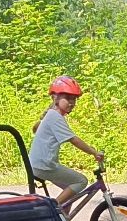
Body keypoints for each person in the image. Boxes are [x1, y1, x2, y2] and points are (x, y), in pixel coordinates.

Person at [29, 76, 103, 207]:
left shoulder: (51, 115)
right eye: (68, 98)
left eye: (74, 99)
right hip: (44, 166)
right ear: (55, 98)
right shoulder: (54, 117)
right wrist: (93, 152)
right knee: (81, 181)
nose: (72, 102)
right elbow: (74, 140)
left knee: (70, 191)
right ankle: (52, 208)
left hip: (39, 165)